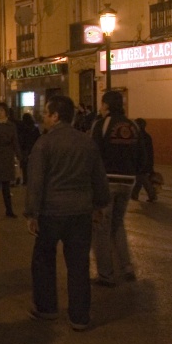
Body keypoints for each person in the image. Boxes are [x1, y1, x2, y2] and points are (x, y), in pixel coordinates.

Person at [25, 95, 110, 331]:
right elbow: (98, 178)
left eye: (45, 113)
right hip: (80, 212)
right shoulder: (87, 142)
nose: (43, 118)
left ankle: (46, 308)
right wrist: (99, 205)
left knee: (43, 261)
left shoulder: (44, 144)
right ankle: (80, 316)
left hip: (51, 212)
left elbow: (36, 182)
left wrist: (32, 213)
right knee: (78, 265)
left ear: (55, 116)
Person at [90, 90, 144, 286]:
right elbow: (141, 154)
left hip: (107, 181)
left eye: (102, 104)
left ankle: (106, 274)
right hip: (128, 181)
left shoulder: (102, 125)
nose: (101, 108)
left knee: (101, 227)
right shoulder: (133, 125)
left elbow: (93, 154)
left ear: (107, 105)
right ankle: (127, 266)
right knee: (118, 224)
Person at [0, 102, 20, 218]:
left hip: (7, 156)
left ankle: (9, 210)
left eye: (1, 110)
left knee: (6, 186)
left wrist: (18, 156)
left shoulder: (11, 126)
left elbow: (15, 141)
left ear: (6, 112)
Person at [130, 117, 158, 202]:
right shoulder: (147, 136)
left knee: (142, 178)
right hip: (146, 160)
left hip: (141, 161)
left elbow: (136, 150)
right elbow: (150, 151)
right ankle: (134, 195)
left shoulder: (137, 136)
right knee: (140, 178)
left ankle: (152, 195)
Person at [18, 112, 41, 185]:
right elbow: (38, 138)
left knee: (25, 166)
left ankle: (25, 180)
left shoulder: (23, 128)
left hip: (25, 149)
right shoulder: (35, 128)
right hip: (33, 148)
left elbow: (22, 139)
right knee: (32, 165)